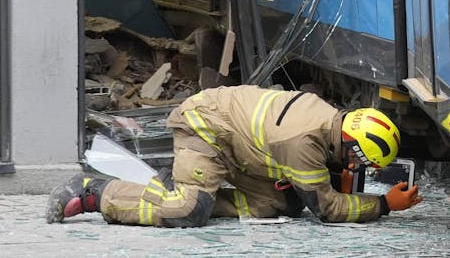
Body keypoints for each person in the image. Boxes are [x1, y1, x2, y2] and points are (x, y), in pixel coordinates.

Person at [49, 85, 423, 227]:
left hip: (240, 148)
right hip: (206, 127)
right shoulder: (304, 142)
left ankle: (177, 184)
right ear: (351, 145)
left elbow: (307, 194)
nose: (358, 169)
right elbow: (326, 210)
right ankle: (96, 193)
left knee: (279, 202)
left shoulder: (325, 119)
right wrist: (384, 204)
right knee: (188, 212)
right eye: (361, 162)